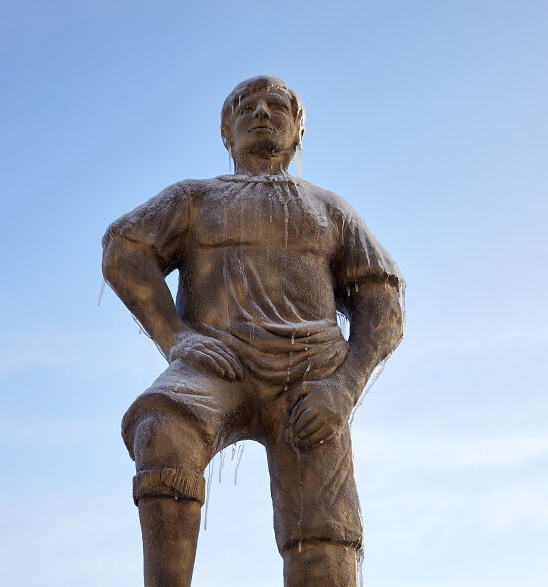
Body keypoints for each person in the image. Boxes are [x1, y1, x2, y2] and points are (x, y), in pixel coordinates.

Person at [102, 75, 404, 586]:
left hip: (313, 377)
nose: (262, 113)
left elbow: (383, 298)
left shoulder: (330, 210)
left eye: (278, 106)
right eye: (246, 106)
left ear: (298, 131)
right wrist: (176, 338)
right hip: (219, 364)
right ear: (226, 131)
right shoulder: (196, 198)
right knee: (163, 429)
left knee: (323, 535)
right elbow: (124, 249)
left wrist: (345, 387)